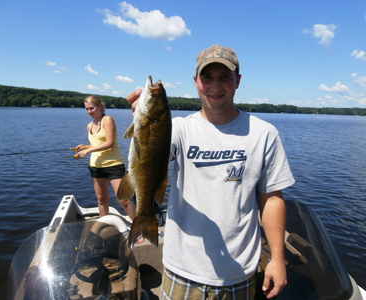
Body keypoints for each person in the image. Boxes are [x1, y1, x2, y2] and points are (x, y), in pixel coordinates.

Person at [126, 45, 295, 299]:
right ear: (196, 82)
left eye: (225, 77)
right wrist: (140, 121)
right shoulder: (178, 129)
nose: (216, 86)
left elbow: (271, 199)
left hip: (238, 273)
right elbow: (150, 158)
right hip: (181, 270)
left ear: (237, 81)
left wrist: (278, 259)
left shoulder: (264, 134)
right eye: (207, 77)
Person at [75, 95, 136, 221]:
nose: (89, 112)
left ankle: (139, 228)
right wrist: (85, 146)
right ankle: (105, 225)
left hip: (114, 164)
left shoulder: (107, 119)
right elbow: (97, 143)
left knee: (123, 200)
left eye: (91, 108)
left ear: (100, 107)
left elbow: (109, 143)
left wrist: (88, 151)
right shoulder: (89, 126)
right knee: (101, 200)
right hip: (96, 166)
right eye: (86, 109)